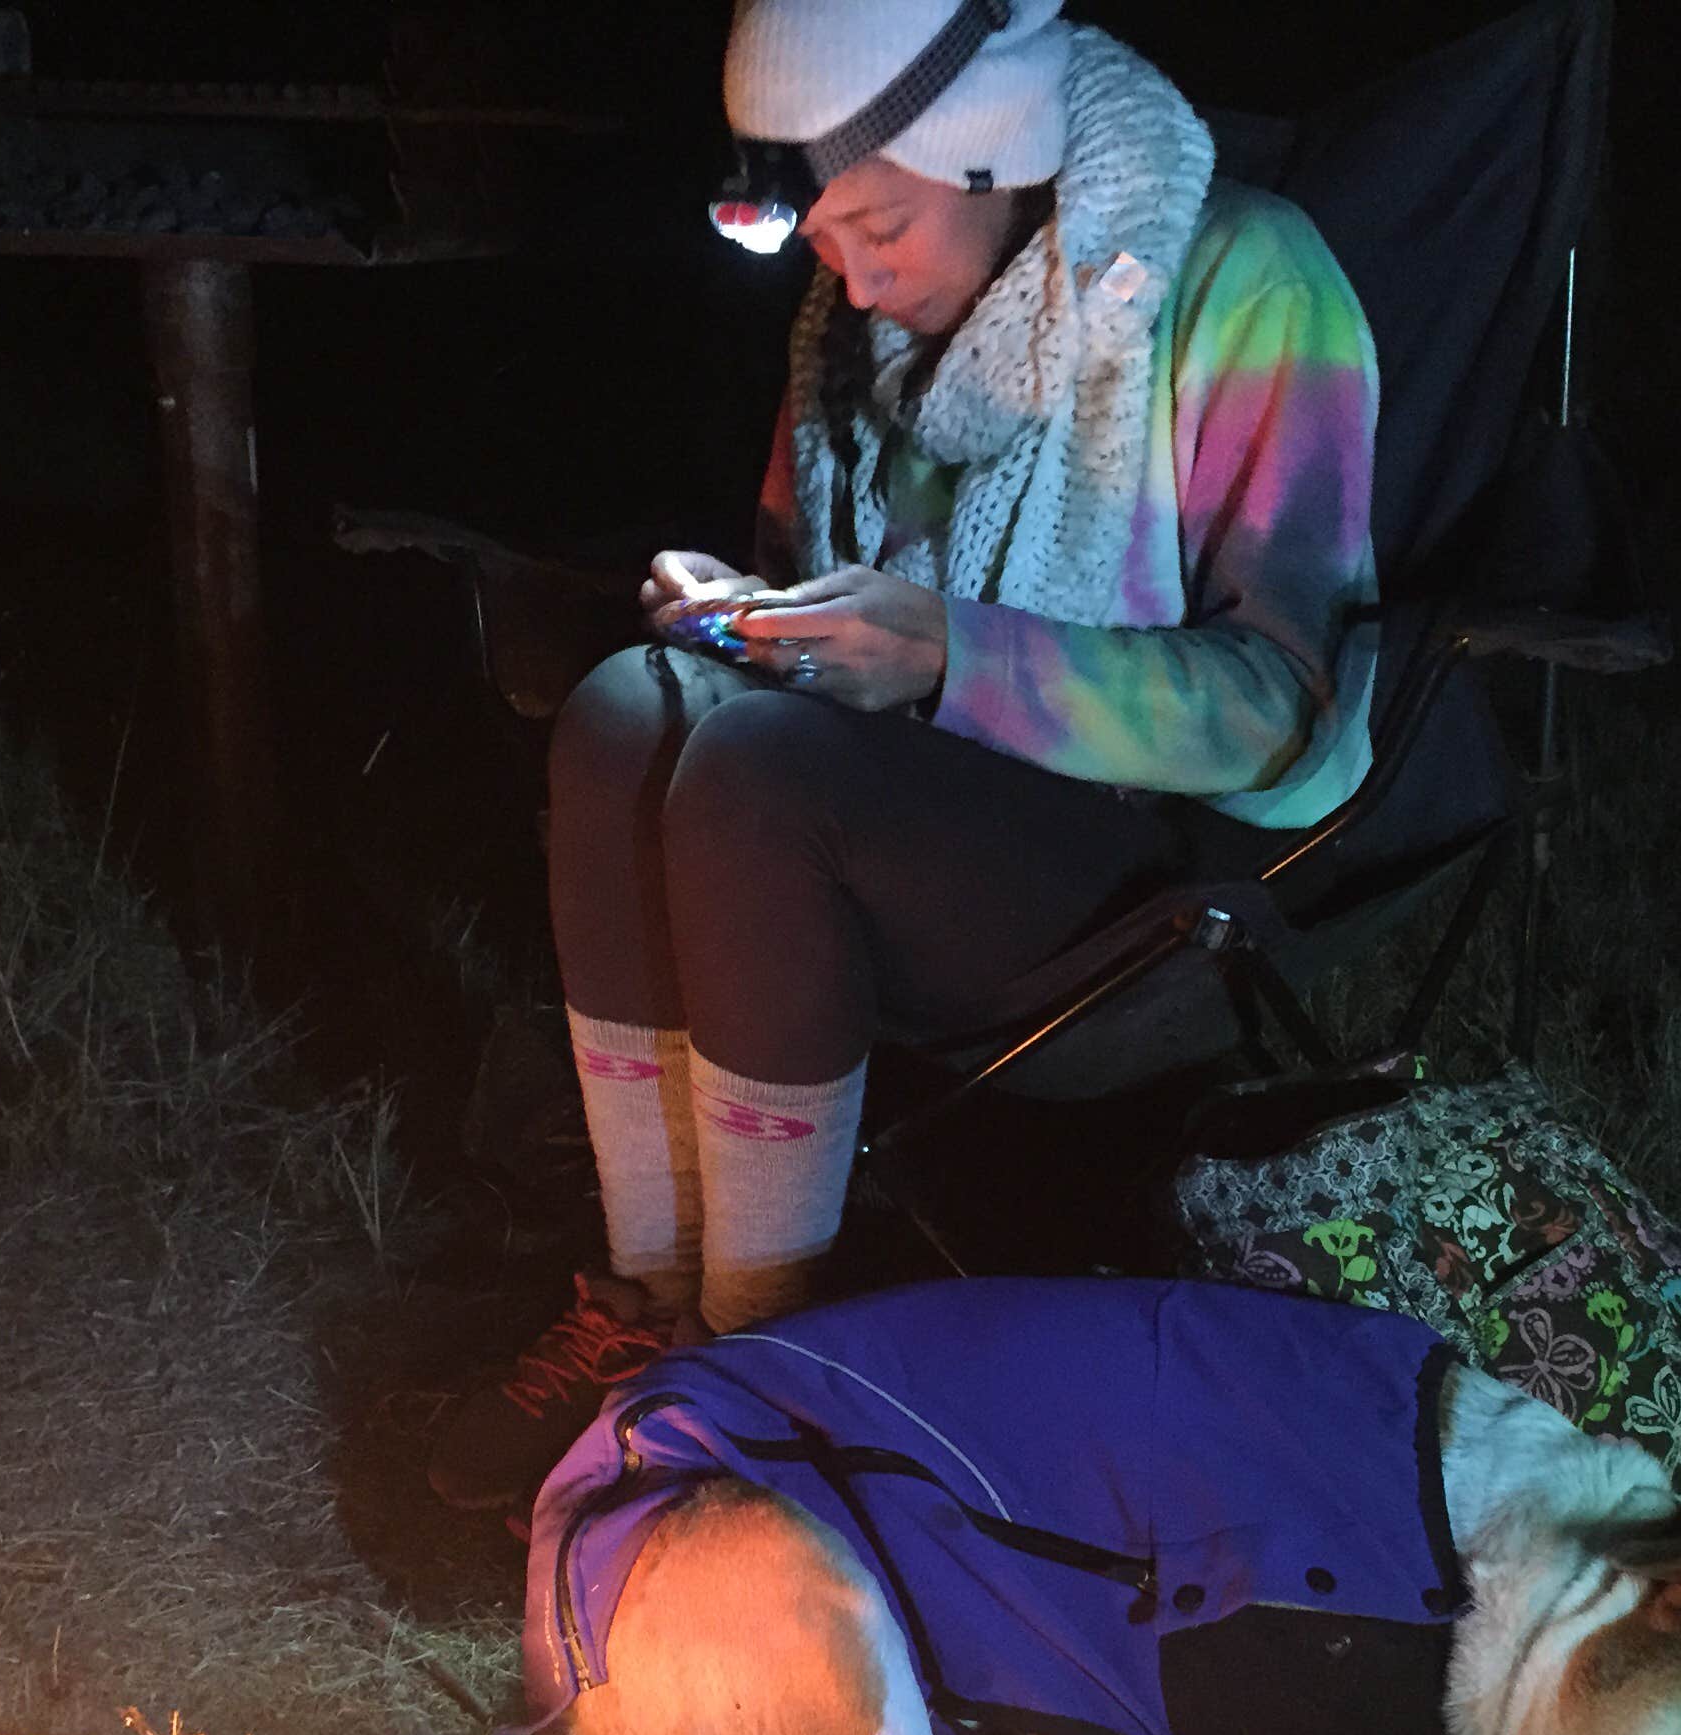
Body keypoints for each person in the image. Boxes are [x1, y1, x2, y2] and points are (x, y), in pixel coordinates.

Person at [427, 0, 1504, 1509]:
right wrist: (743, 617)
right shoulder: (859, 333)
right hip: (897, 809)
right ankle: (644, 1298)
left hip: (1143, 856)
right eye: (820, 240)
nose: (853, 278)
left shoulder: (1244, 282)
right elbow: (812, 594)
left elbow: (1288, 707)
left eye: (879, 225)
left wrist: (948, 654)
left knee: (749, 784)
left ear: (995, 153)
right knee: (623, 710)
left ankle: (759, 1371)